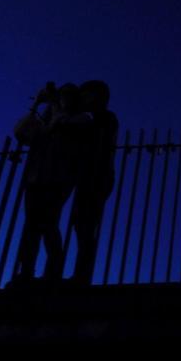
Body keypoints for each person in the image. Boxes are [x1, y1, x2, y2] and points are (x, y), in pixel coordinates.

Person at [10, 82, 88, 287]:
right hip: (36, 178)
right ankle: (26, 271)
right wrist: (36, 104)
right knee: (31, 226)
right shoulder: (46, 122)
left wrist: (54, 105)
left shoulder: (80, 119)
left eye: (67, 95)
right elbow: (20, 131)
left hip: (59, 179)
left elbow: (64, 124)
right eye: (62, 95)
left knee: (47, 222)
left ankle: (53, 271)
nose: (63, 99)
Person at [71, 80, 118, 287]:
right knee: (81, 225)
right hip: (90, 176)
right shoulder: (94, 118)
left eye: (86, 94)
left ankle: (82, 275)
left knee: (86, 226)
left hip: (97, 177)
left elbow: (97, 146)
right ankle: (80, 274)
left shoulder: (105, 118)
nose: (82, 98)